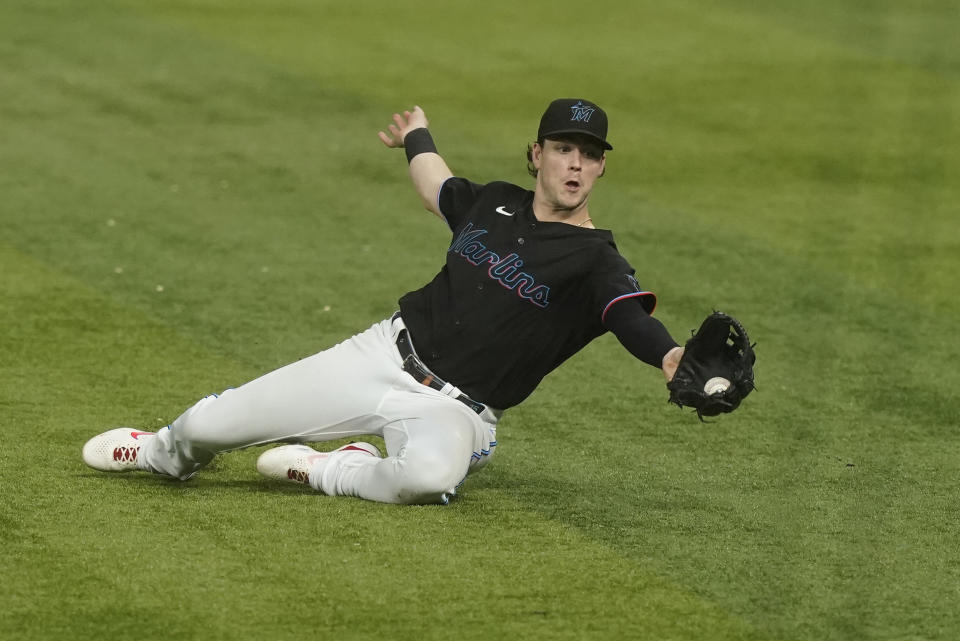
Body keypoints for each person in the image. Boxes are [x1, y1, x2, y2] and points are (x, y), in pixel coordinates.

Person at [81, 98, 685, 505]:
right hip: (379, 356)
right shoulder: (494, 202)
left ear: (602, 167)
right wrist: (414, 135)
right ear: (537, 154)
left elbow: (626, 315)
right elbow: (436, 186)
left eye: (590, 153)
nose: (575, 163)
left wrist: (668, 356)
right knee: (208, 423)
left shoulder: (597, 260)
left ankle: (328, 468)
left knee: (427, 478)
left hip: (457, 413)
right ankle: (162, 454)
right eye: (562, 148)